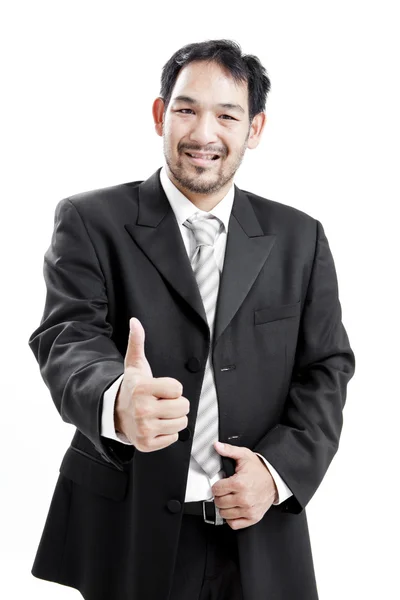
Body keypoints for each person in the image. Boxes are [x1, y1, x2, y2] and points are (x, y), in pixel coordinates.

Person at [28, 39, 356, 600]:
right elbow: (68, 338)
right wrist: (114, 400)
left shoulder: (301, 238)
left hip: (258, 529)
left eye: (227, 115)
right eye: (186, 109)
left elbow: (326, 368)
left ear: (254, 129)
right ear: (161, 114)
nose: (204, 134)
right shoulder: (90, 220)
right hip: (126, 527)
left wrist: (276, 474)